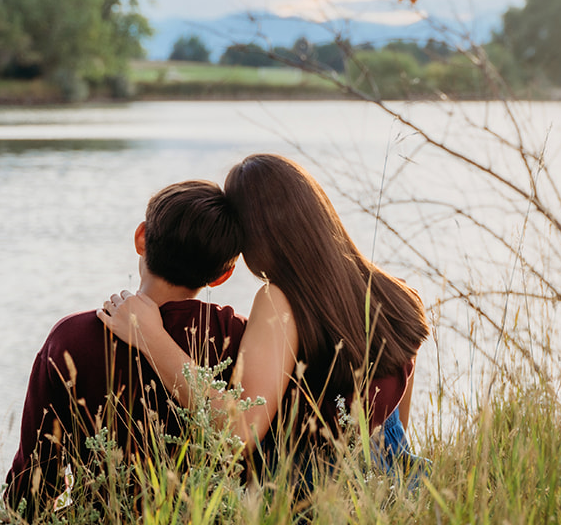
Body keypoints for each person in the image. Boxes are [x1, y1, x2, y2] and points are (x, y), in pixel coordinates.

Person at [98, 153, 429, 502]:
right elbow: (393, 427)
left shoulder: (278, 301)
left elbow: (241, 431)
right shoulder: (399, 295)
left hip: (315, 504)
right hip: (399, 486)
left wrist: (150, 336)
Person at [0, 180, 244, 523]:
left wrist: (20, 511)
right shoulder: (235, 335)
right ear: (224, 274)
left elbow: (37, 477)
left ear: (141, 237)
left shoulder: (71, 338)